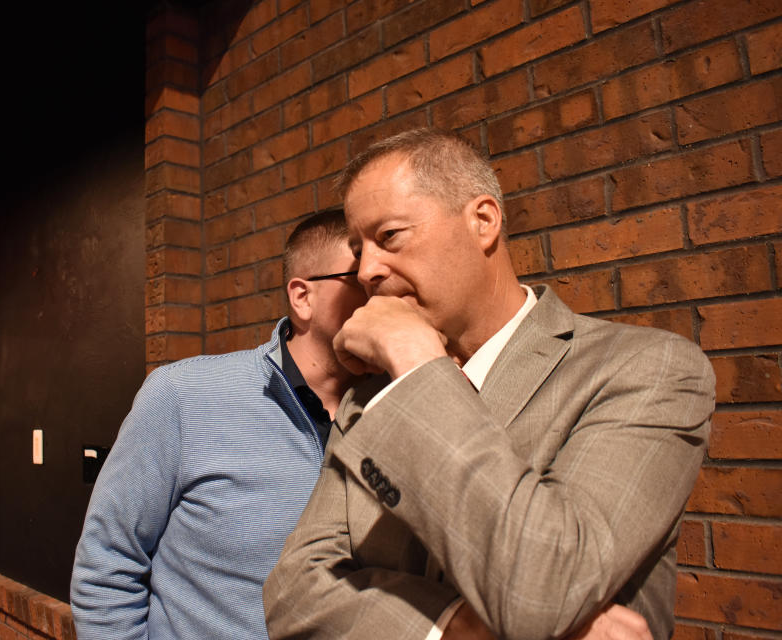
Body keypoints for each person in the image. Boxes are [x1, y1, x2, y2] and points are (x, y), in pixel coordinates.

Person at [264, 129, 715, 640]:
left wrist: (415, 358)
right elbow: (292, 594)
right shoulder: (369, 397)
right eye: (357, 249)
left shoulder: (646, 369)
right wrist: (455, 626)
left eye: (389, 237)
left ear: (482, 221)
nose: (366, 271)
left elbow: (545, 589)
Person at [70, 209, 367, 638]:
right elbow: (106, 566)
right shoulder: (182, 395)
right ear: (302, 297)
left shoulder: (393, 406)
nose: (382, 294)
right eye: (360, 279)